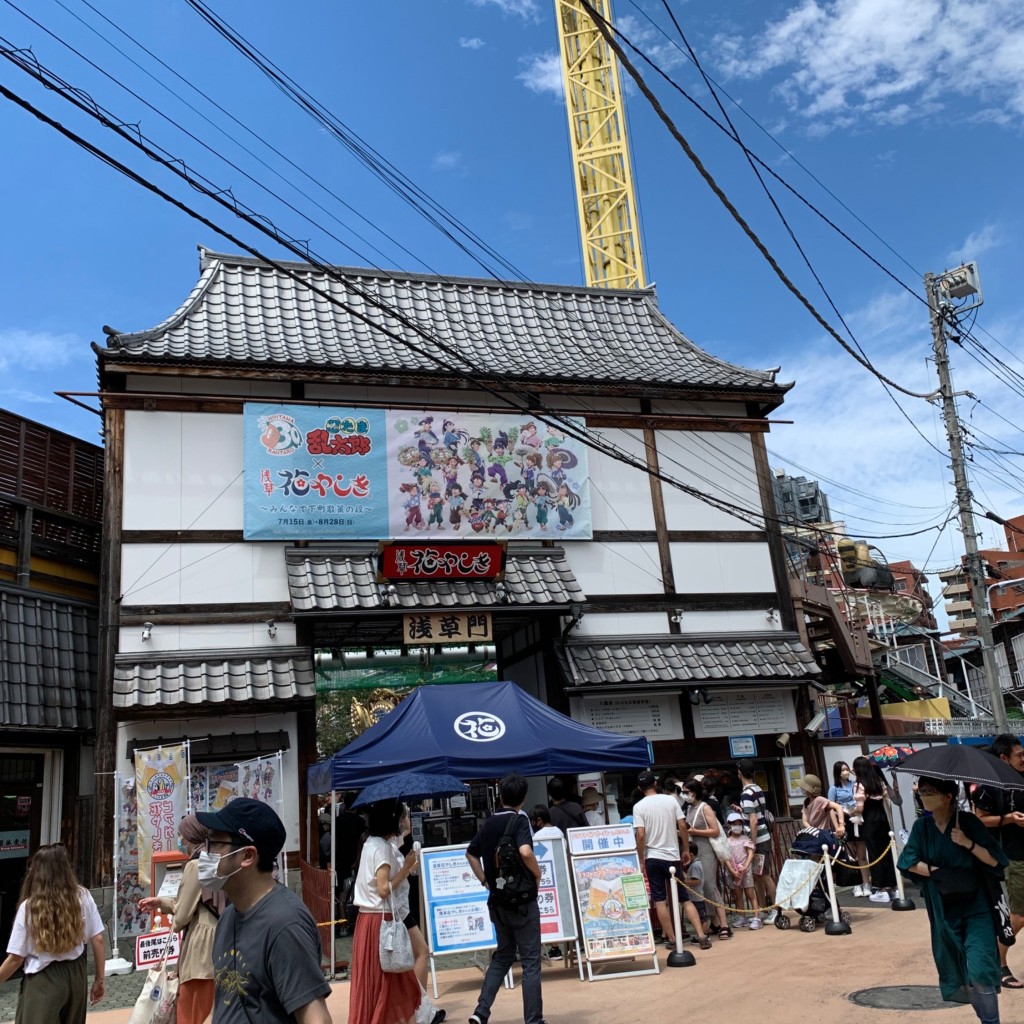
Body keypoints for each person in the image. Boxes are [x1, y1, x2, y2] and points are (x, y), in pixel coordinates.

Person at [195, 798, 332, 1024]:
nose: (204, 853)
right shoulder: (229, 916)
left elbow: (316, 1018)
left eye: (215, 843)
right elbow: (223, 1003)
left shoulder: (285, 925)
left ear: (247, 856)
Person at [899, 776, 1007, 1024]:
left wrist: (968, 843)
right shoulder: (921, 828)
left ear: (948, 796)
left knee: (980, 970)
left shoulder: (968, 823)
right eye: (922, 790)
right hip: (942, 909)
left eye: (929, 791)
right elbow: (907, 862)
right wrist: (938, 872)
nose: (923, 795)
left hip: (976, 907)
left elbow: (996, 860)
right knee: (959, 972)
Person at [466, 773, 545, 1024]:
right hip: (522, 901)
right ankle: (533, 1020)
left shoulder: (488, 823)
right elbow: (525, 851)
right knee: (531, 961)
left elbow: (470, 854)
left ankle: (481, 1012)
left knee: (503, 956)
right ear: (522, 798)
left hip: (498, 902)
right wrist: (537, 872)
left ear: (500, 796)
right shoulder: (520, 821)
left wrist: (485, 881)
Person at [0, 843, 105, 1024]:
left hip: (44, 979)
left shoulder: (30, 906)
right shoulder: (83, 896)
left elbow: (16, 958)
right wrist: (99, 980)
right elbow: (98, 938)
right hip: (76, 975)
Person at [139, 814, 220, 1024]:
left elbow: (183, 913)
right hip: (217, 941)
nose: (180, 840)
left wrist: (172, 920)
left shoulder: (196, 865)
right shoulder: (214, 859)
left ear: (191, 836)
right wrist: (163, 902)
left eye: (182, 836)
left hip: (199, 949)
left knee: (191, 1012)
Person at [349, 799, 421, 1024]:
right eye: (400, 817)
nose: (403, 822)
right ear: (391, 820)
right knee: (389, 985)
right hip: (380, 922)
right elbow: (382, 889)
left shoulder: (372, 841)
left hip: (369, 922)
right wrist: (407, 868)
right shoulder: (381, 848)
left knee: (384, 985)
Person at [632, 770, 710, 950]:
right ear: (655, 783)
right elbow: (682, 825)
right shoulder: (670, 800)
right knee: (684, 898)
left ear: (639, 788)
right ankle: (701, 935)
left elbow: (641, 835)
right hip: (673, 855)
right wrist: (685, 848)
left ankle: (673, 939)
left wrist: (641, 857)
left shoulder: (639, 807)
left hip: (653, 857)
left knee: (660, 900)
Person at [971, 733, 1024, 989]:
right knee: (1020, 915)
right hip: (1015, 857)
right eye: (1019, 755)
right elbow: (978, 819)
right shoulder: (990, 786)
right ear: (1004, 758)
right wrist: (1009, 819)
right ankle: (997, 960)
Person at [682, 777, 732, 939]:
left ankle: (724, 924)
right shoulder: (688, 809)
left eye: (686, 792)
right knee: (700, 888)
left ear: (694, 792)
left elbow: (715, 831)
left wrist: (695, 832)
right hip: (694, 852)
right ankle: (714, 923)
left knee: (710, 886)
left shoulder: (705, 807)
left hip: (707, 851)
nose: (684, 795)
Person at [853, 755, 898, 903]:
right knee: (887, 853)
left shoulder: (860, 785)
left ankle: (880, 889)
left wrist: (851, 812)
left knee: (874, 853)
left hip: (870, 822)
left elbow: (860, 807)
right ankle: (893, 888)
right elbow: (887, 798)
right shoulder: (879, 781)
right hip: (883, 820)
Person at [737, 759, 777, 924]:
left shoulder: (746, 793)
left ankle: (775, 909)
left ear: (739, 773)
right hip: (763, 836)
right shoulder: (757, 788)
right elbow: (755, 814)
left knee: (764, 875)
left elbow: (753, 820)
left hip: (757, 839)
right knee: (759, 874)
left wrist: (751, 843)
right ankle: (763, 909)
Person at [829, 760, 871, 897]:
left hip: (858, 818)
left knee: (862, 854)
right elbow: (831, 809)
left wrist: (855, 773)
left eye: (847, 769)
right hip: (845, 820)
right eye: (842, 770)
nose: (845, 772)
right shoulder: (834, 788)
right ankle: (856, 884)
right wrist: (837, 827)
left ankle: (866, 883)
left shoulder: (855, 784)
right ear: (837, 773)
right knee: (851, 854)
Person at [724, 812, 759, 929]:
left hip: (746, 871)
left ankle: (756, 917)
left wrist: (745, 866)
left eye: (739, 823)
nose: (737, 826)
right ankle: (742, 917)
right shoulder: (726, 841)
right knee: (738, 895)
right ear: (729, 825)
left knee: (750, 894)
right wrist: (732, 871)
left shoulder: (745, 839)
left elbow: (750, 853)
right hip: (733, 872)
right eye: (734, 823)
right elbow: (726, 858)